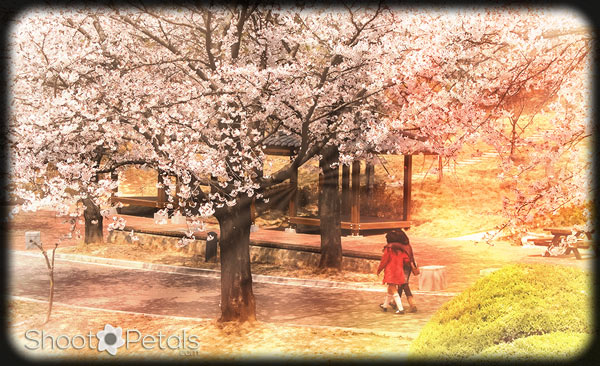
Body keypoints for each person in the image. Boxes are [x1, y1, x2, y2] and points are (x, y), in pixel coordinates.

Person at [376, 231, 409, 314]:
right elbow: (406, 259)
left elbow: (384, 261)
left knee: (393, 290)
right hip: (399, 271)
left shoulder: (388, 249)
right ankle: (385, 305)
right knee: (390, 289)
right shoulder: (402, 250)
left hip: (391, 272)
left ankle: (400, 309)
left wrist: (379, 269)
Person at [391, 229, 418, 313]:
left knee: (404, 284)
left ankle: (413, 305)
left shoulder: (399, 246)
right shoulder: (407, 245)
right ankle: (395, 303)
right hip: (409, 266)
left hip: (404, 266)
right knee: (401, 284)